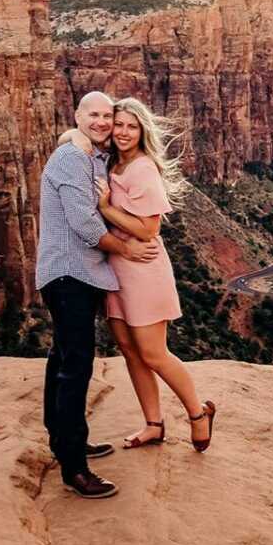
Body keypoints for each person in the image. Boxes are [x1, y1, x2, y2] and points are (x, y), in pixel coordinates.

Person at [36, 91, 159, 499]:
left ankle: (63, 443)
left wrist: (74, 135)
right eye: (95, 115)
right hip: (68, 274)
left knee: (63, 359)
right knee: (76, 368)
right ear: (78, 115)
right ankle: (75, 470)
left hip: (78, 275)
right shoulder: (72, 158)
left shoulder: (89, 153)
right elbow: (86, 223)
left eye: (109, 116)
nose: (104, 122)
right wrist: (127, 249)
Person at [94, 97, 216, 452]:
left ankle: (197, 413)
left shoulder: (143, 169)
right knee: (129, 350)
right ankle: (153, 424)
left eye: (132, 126)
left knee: (153, 353)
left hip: (143, 267)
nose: (123, 132)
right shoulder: (112, 163)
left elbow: (148, 229)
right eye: (119, 124)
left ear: (142, 131)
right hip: (115, 264)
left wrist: (105, 208)